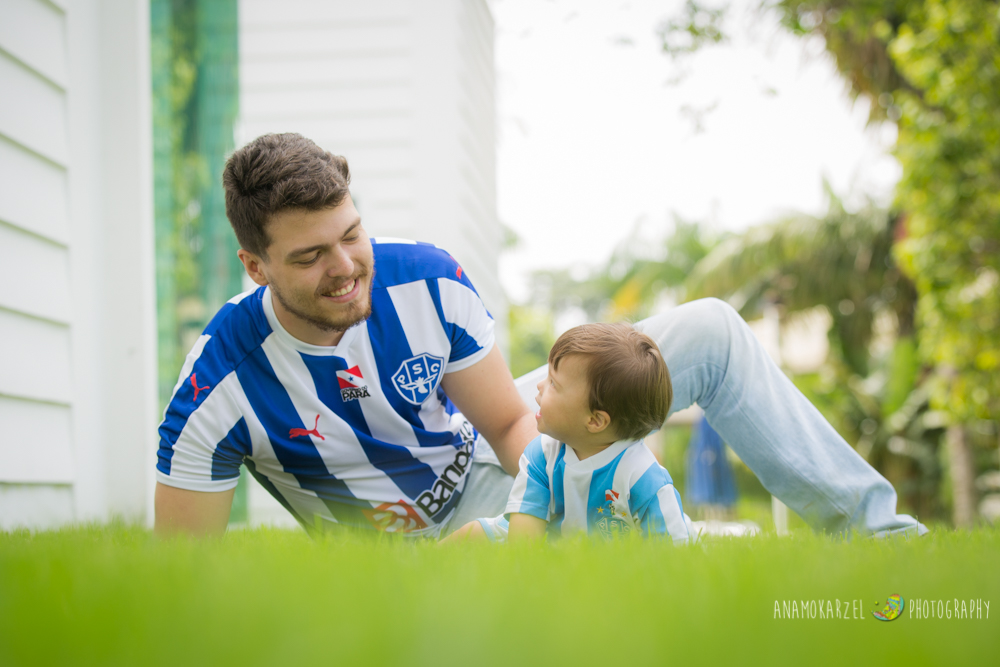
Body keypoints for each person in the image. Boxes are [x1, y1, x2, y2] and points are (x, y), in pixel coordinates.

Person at [154, 132, 927, 539]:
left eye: (351, 233)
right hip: (426, 550)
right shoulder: (215, 389)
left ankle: (885, 539)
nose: (346, 267)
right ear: (255, 265)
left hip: (498, 461)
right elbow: (185, 579)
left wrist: (568, 489)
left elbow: (505, 422)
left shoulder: (425, 278)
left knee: (711, 330)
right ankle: (695, 547)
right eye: (310, 255)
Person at [443, 323, 690, 543]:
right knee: (472, 534)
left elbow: (670, 558)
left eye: (553, 383)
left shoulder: (643, 477)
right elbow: (524, 541)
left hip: (609, 553)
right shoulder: (542, 453)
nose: (540, 386)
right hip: (551, 534)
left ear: (595, 420)